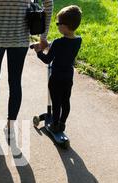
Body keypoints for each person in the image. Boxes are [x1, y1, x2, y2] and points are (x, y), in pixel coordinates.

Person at [0, 0, 53, 139]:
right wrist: (43, 37)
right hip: (19, 38)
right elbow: (49, 4)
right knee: (15, 81)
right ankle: (10, 126)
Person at [33, 5, 82, 133]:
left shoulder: (57, 43)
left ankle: (54, 124)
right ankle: (62, 124)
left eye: (58, 23)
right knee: (65, 102)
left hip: (56, 78)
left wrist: (39, 52)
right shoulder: (78, 41)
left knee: (56, 103)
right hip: (68, 78)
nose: (57, 25)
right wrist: (50, 45)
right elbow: (63, 49)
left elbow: (47, 60)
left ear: (64, 26)